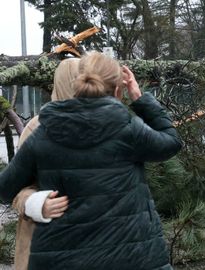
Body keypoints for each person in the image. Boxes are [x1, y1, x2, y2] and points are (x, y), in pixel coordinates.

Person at [0, 51, 182, 270]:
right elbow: (171, 142)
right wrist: (139, 98)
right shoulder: (127, 129)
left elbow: (4, 189)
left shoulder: (45, 131)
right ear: (117, 90)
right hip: (132, 259)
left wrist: (35, 203)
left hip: (61, 260)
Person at [12, 58, 78, 270]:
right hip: (43, 242)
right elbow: (14, 187)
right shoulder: (37, 127)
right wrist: (36, 203)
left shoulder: (103, 125)